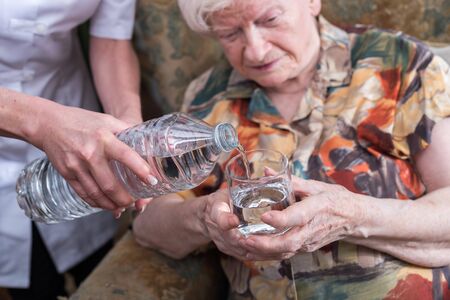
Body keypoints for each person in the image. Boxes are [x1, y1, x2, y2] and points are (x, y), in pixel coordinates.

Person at [133, 0, 450, 298]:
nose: (256, 51)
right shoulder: (207, 99)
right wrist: (203, 218)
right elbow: (149, 226)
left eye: (270, 20)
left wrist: (353, 216)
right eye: (230, 34)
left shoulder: (400, 64)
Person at [0, 0, 154, 299]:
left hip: (73, 104)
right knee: (35, 285)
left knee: (97, 267)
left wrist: (129, 127)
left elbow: (111, 39)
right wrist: (43, 123)